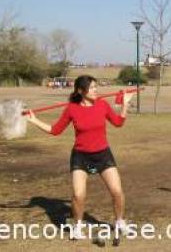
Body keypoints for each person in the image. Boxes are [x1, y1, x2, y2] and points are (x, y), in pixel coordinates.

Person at [26, 75, 134, 240]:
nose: (95, 90)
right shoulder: (71, 109)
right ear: (80, 91)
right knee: (78, 195)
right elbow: (55, 130)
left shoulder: (102, 104)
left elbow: (118, 123)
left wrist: (125, 105)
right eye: (91, 88)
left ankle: (120, 221)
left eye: (96, 87)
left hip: (103, 155)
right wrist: (34, 120)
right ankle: (77, 226)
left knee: (117, 192)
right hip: (81, 157)